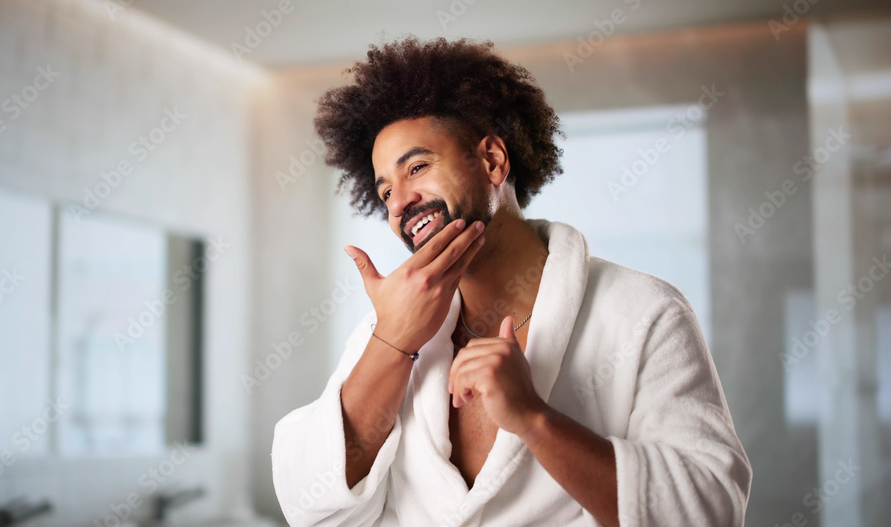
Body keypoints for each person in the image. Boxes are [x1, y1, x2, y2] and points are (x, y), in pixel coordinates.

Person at [271, 36, 751, 527]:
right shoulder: (388, 331)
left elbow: (709, 509)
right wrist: (392, 342)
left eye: (417, 168)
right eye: (385, 192)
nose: (399, 205)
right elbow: (310, 505)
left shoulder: (643, 312)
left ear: (493, 161)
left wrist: (533, 419)